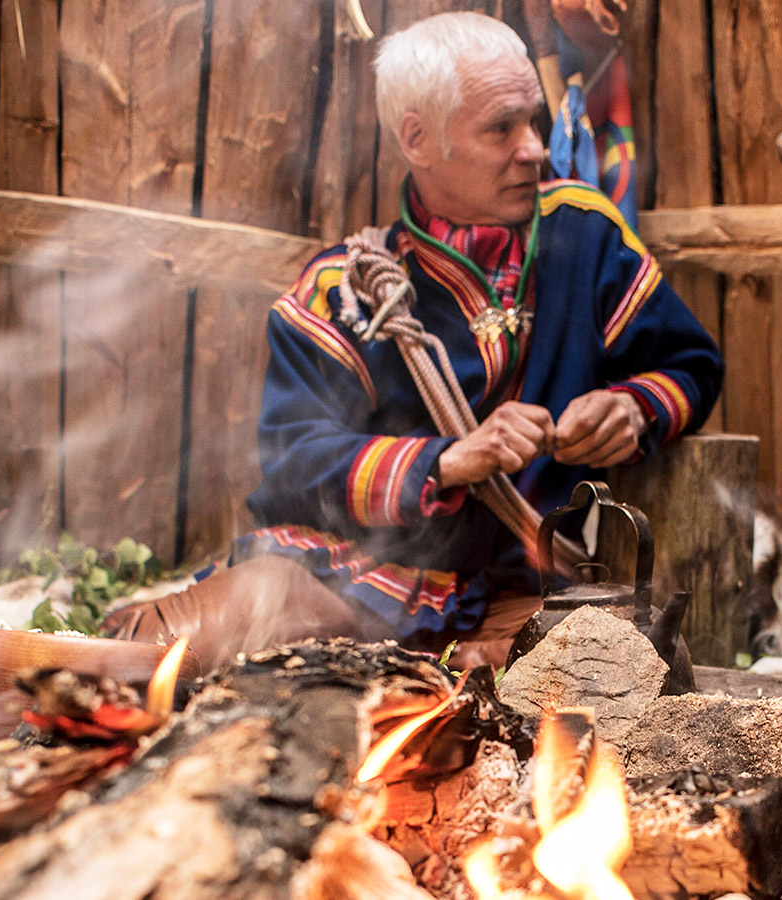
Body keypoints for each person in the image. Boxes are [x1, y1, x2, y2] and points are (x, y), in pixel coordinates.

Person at [102, 11, 722, 670]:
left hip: (526, 594)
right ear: (419, 140)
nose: (535, 147)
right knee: (173, 647)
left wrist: (634, 408)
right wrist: (447, 462)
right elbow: (295, 461)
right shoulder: (338, 292)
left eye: (533, 121)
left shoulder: (585, 239)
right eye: (501, 128)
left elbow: (690, 365)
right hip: (351, 582)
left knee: (629, 662)